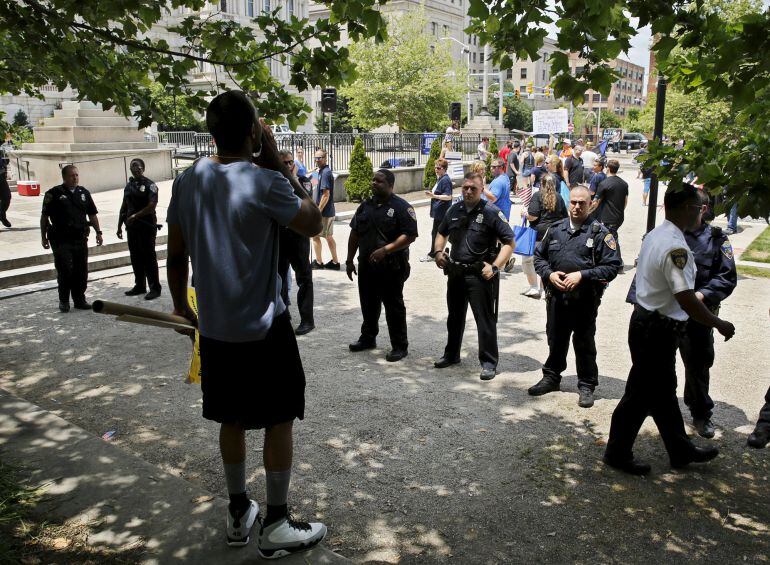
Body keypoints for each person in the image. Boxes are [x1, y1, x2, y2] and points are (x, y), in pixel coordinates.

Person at [165, 91, 326, 556]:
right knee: (279, 419)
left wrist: (181, 306)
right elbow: (314, 223)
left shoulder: (187, 179)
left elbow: (176, 256)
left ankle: (238, 511)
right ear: (254, 131)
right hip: (264, 328)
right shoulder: (264, 181)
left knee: (229, 418)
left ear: (211, 131)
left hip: (215, 329)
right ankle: (275, 523)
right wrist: (277, 160)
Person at [604, 183, 735, 476]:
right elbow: (686, 298)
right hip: (657, 330)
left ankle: (680, 450)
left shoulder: (656, 234)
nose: (700, 212)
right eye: (696, 207)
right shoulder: (676, 246)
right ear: (682, 208)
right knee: (638, 396)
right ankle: (617, 452)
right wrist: (719, 323)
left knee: (662, 393)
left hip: (647, 322)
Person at [528, 185, 621, 407]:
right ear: (568, 202)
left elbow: (612, 266)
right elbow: (539, 258)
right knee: (556, 338)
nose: (577, 206)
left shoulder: (601, 233)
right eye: (573, 202)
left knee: (584, 341)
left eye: (582, 203)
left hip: (585, 300)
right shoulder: (556, 229)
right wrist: (549, 275)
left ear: (591, 204)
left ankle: (587, 384)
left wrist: (582, 275)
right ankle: (551, 377)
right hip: (557, 299)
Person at [433, 172, 515, 381]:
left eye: (473, 189)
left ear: (481, 190)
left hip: (480, 275)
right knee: (454, 317)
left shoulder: (491, 212)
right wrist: (438, 252)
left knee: (484, 320)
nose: (468, 191)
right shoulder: (455, 209)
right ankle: (451, 355)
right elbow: (441, 232)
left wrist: (495, 267)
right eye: (465, 188)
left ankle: (488, 363)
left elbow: (509, 243)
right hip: (456, 272)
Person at [678, 191, 737, 437]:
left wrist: (701, 296)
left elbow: (726, 278)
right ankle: (659, 407)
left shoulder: (716, 239)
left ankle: (701, 413)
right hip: (667, 313)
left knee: (698, 364)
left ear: (703, 209)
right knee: (658, 362)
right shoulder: (669, 235)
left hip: (699, 314)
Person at [346, 169, 418, 362]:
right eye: (373, 180)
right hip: (367, 267)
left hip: (391, 267)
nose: (374, 183)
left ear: (390, 185)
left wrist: (386, 250)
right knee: (368, 304)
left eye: (379, 181)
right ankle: (368, 338)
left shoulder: (402, 207)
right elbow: (355, 233)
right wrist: (348, 260)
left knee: (394, 306)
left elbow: (410, 235)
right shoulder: (364, 207)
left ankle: (400, 346)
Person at [40, 165, 103, 312]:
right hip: (61, 240)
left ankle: (79, 299)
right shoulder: (53, 194)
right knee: (65, 270)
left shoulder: (84, 193)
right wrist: (43, 237)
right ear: (64, 177)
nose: (75, 178)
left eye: (76, 175)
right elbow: (44, 217)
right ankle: (64, 301)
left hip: (80, 238)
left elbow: (92, 215)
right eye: (71, 176)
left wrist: (98, 232)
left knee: (81, 271)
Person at [277, 150, 315, 336]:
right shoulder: (274, 181)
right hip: (279, 236)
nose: (287, 165)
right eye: (283, 162)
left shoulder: (303, 181)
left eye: (290, 162)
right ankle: (282, 316)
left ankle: (307, 320)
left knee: (304, 278)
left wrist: (292, 179)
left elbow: (307, 203)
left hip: (298, 237)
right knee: (278, 278)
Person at [117, 158, 162, 300]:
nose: (135, 169)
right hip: (132, 227)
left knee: (149, 257)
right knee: (135, 257)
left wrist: (136, 216)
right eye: (132, 167)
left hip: (146, 226)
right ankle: (140, 285)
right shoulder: (129, 186)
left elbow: (152, 206)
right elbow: (124, 206)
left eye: (137, 166)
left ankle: (155, 288)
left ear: (143, 168)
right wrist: (119, 225)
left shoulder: (150, 185)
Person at [522, 173, 568, 299]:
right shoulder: (559, 197)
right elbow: (565, 217)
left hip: (537, 234)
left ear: (541, 184)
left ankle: (533, 287)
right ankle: (543, 289)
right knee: (547, 262)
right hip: (553, 234)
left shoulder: (537, 195)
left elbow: (533, 216)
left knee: (529, 260)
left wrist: (524, 214)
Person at [592, 159, 628, 267]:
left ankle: (618, 262)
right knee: (610, 236)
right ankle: (610, 260)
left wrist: (588, 211)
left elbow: (596, 202)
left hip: (608, 217)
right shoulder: (624, 183)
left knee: (611, 238)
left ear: (607, 168)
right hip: (619, 216)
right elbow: (625, 201)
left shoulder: (604, 183)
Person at [310, 149, 340, 270]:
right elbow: (314, 185)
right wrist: (314, 173)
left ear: (325, 158)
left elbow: (326, 195)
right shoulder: (321, 171)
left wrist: (318, 211)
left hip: (324, 212)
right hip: (326, 211)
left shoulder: (326, 172)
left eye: (320, 158)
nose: (317, 160)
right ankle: (334, 262)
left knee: (316, 236)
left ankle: (319, 262)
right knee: (328, 236)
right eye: (315, 158)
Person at [422, 157, 453, 262]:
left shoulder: (445, 180)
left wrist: (434, 196)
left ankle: (433, 254)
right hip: (439, 212)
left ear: (444, 169)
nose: (436, 169)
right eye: (435, 168)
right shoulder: (441, 178)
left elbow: (448, 196)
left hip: (442, 212)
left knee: (437, 233)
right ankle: (436, 253)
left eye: (439, 168)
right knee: (438, 232)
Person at [636, 141, 652, 206]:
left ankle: (644, 202)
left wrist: (643, 174)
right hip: (653, 176)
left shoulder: (645, 158)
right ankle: (651, 202)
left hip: (647, 176)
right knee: (653, 191)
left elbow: (641, 167)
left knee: (646, 190)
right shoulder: (654, 156)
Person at [0, 149, 11, 228]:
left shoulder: (1, 151)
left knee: (7, 196)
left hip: (1, 176)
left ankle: (1, 214)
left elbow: (6, 161)